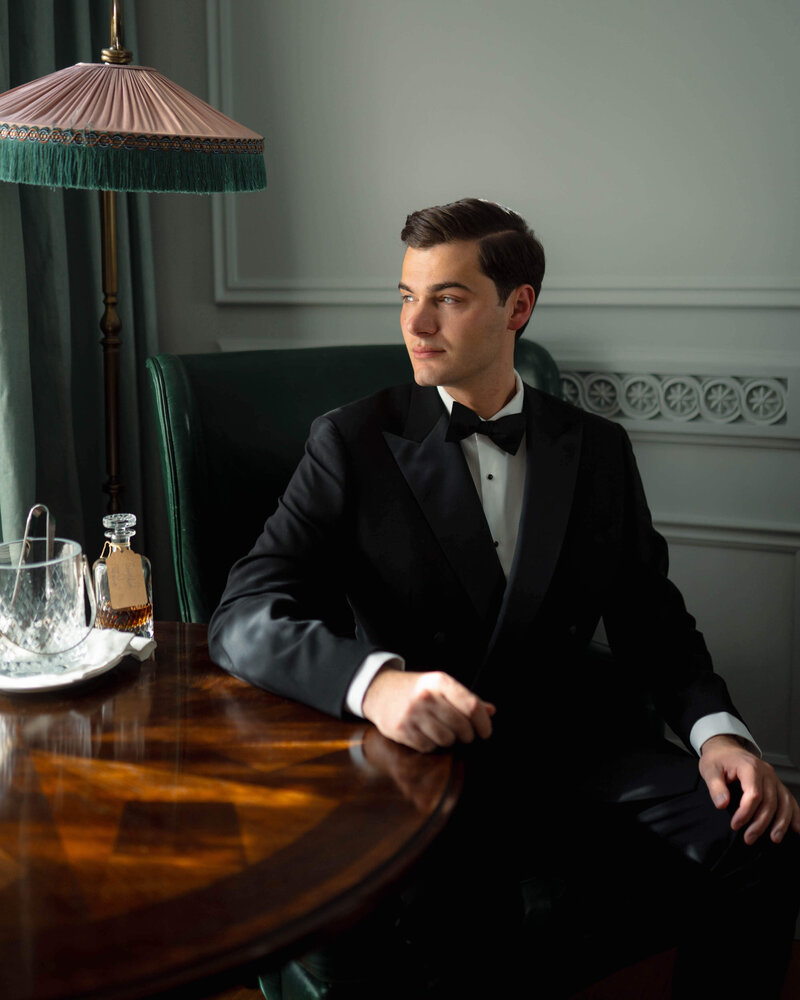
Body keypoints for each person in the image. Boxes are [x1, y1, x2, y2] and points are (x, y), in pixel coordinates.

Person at [209, 198, 800, 998]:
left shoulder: (596, 449)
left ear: (517, 306)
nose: (417, 324)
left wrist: (718, 736)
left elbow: (652, 620)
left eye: (447, 298)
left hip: (573, 745)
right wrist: (378, 687)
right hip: (422, 766)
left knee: (762, 845)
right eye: (406, 295)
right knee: (458, 931)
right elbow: (243, 615)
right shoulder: (349, 442)